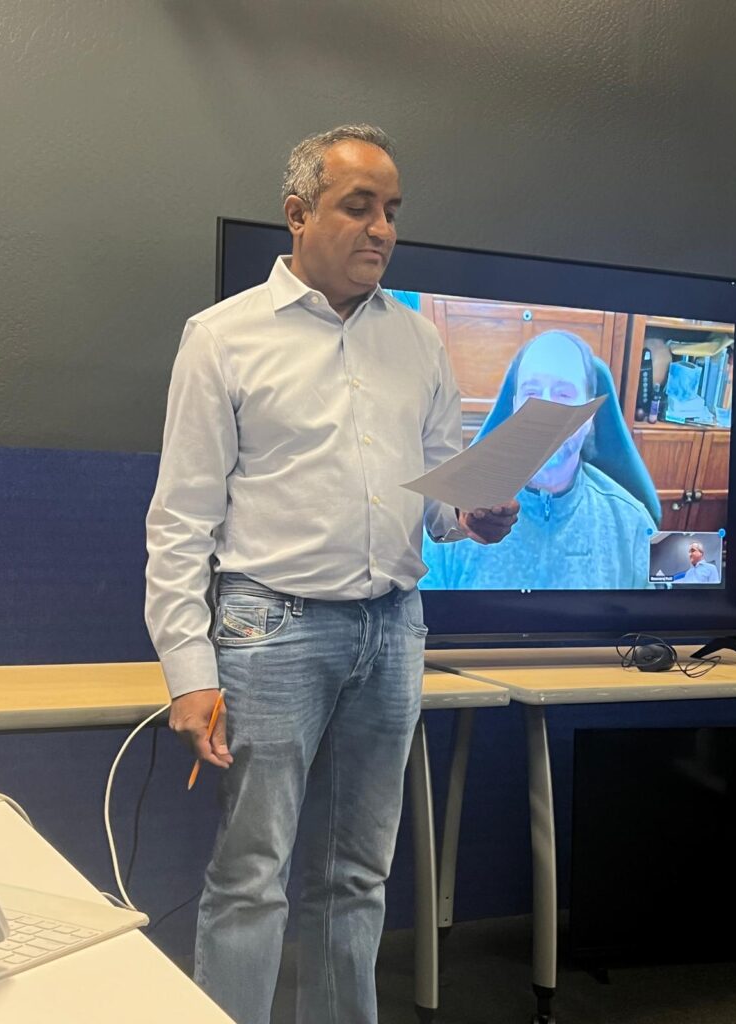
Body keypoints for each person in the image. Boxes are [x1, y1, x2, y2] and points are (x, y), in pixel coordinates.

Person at [145, 124, 518, 1024]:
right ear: (298, 213)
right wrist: (189, 674)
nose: (382, 228)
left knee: (357, 873)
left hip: (393, 629)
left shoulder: (419, 341)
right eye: (359, 206)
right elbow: (180, 520)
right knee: (252, 874)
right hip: (269, 630)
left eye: (392, 210)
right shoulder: (223, 337)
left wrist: (473, 515)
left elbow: (437, 495)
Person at [421, 330, 657, 591]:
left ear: (589, 416)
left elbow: (662, 613)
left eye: (564, 394)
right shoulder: (454, 520)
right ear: (515, 408)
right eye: (532, 393)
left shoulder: (633, 525)